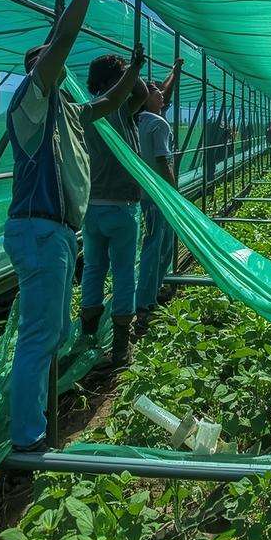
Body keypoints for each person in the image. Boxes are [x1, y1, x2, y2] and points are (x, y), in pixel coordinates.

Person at [4, 0, 143, 455]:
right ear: (40, 70)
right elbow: (61, 42)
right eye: (47, 62)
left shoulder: (66, 110)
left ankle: (37, 411)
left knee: (55, 330)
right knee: (40, 335)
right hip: (39, 231)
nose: (54, 64)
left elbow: (106, 104)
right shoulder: (32, 103)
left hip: (58, 232)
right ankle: (27, 439)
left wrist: (137, 72)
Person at [78, 49, 151, 368]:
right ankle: (122, 345)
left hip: (91, 206)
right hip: (122, 207)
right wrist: (131, 69)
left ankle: (88, 334)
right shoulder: (120, 109)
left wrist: (123, 71)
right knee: (123, 273)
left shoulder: (85, 110)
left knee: (93, 269)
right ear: (116, 80)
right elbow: (143, 92)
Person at [134, 61, 182, 326]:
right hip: (159, 196)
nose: (161, 95)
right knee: (157, 247)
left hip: (143, 194)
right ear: (145, 98)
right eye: (156, 93)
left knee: (157, 245)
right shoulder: (158, 124)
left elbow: (164, 89)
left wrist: (174, 71)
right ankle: (145, 302)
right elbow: (163, 160)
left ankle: (150, 294)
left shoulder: (133, 120)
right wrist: (174, 195)